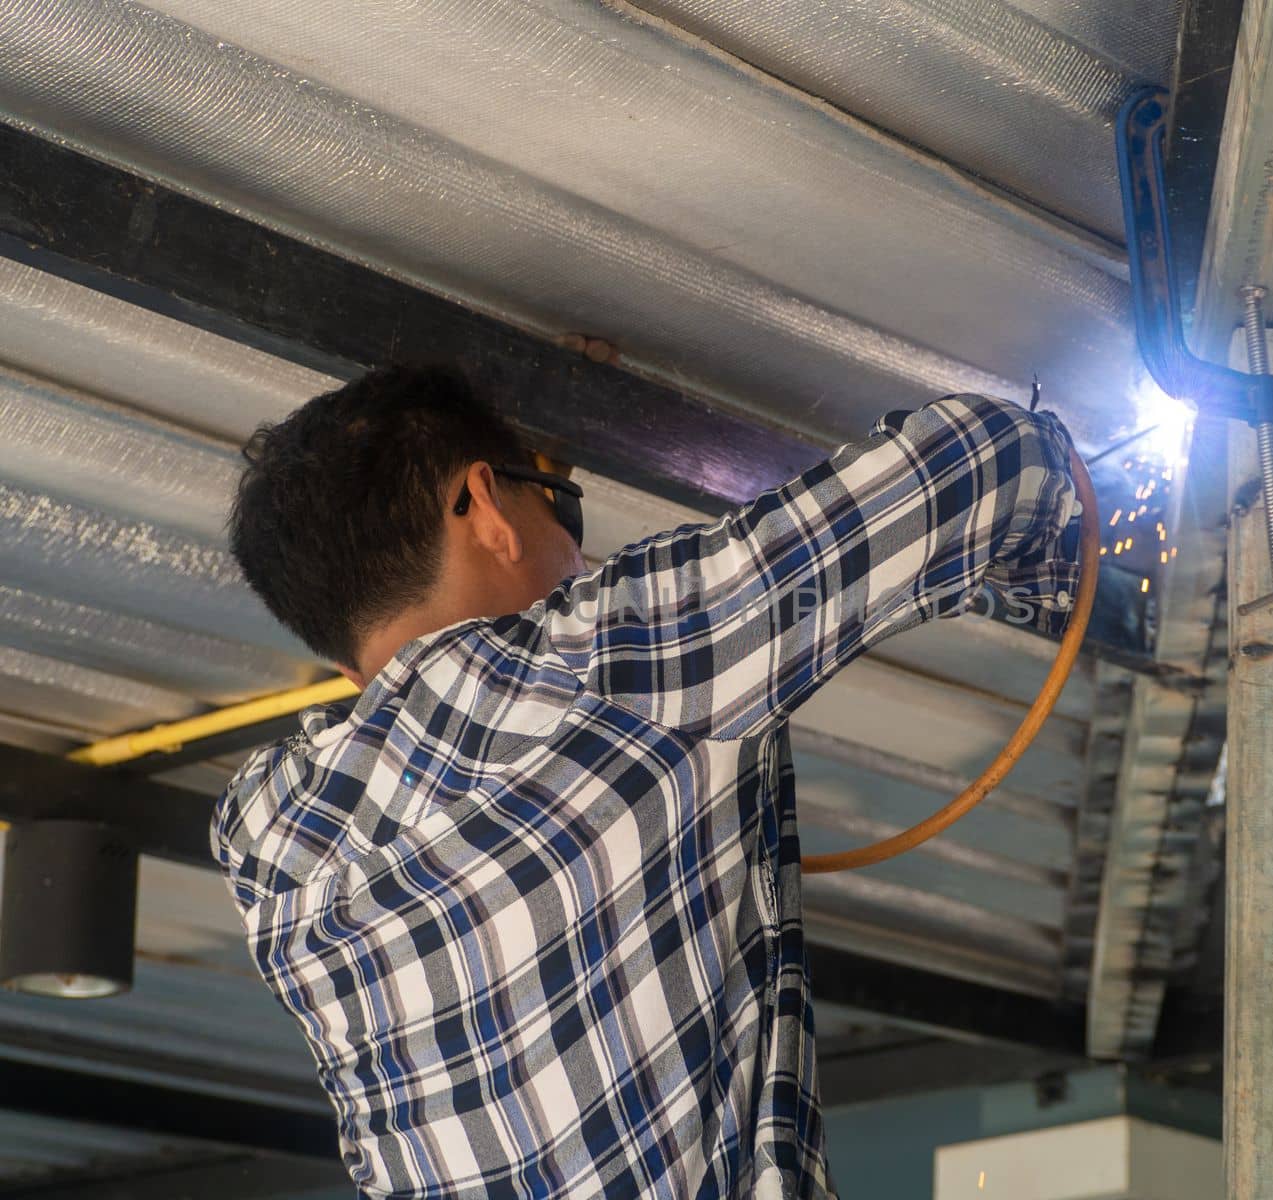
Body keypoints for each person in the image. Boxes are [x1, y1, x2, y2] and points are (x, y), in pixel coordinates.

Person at [213, 364, 1080, 1199]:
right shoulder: (601, 660)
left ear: (334, 645)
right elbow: (985, 458)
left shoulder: (266, 832)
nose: (580, 561)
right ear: (483, 504)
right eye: (555, 503)